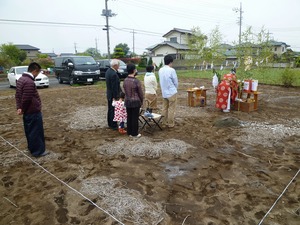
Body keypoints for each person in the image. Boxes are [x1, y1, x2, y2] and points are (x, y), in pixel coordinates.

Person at [15, 62, 48, 157]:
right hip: (32, 111)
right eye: (38, 72)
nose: (38, 75)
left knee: (29, 130)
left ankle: (32, 148)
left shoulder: (21, 79)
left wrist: (19, 107)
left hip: (28, 111)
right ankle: (38, 151)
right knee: (36, 131)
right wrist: (23, 108)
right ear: (34, 71)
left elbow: (17, 95)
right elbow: (27, 98)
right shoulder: (29, 82)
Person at [123, 63, 143, 138]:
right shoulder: (136, 81)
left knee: (129, 117)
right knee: (134, 118)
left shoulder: (125, 80)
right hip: (135, 101)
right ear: (134, 70)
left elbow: (124, 90)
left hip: (128, 101)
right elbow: (140, 93)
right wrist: (141, 100)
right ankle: (134, 133)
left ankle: (129, 132)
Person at [158, 54, 178, 128]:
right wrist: (175, 88)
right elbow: (175, 82)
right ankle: (170, 123)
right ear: (170, 62)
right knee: (171, 108)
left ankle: (164, 122)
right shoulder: (171, 70)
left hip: (164, 92)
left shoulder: (160, 70)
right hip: (171, 92)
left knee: (164, 108)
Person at [105, 59, 121, 130]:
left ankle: (110, 123)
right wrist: (115, 96)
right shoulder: (114, 74)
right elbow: (114, 87)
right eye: (118, 65)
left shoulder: (108, 71)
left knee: (110, 109)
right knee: (113, 109)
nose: (119, 66)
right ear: (115, 65)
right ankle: (113, 124)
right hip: (113, 94)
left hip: (109, 93)